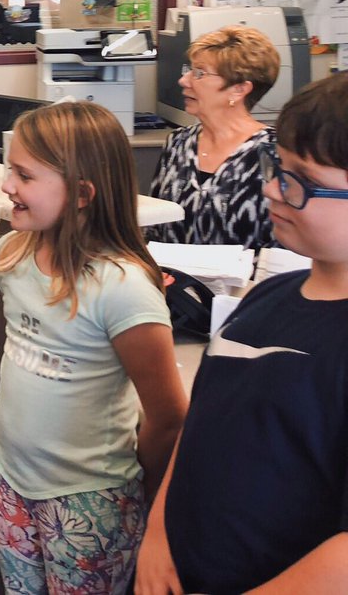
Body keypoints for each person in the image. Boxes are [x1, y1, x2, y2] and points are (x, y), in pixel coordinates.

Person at [137, 73, 348, 595]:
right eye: (277, 167)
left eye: (299, 180)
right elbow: (200, 426)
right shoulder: (264, 298)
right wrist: (159, 531)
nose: (271, 188)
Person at [0, 101, 187, 594]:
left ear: (81, 194)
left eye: (24, 175)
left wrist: (137, 494)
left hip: (89, 499)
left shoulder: (122, 289)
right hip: (11, 476)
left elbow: (168, 415)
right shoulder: (11, 255)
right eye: (10, 169)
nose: (7, 185)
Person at [148, 25, 280, 249]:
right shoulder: (178, 143)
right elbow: (154, 225)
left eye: (199, 73)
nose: (184, 80)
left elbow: (281, 246)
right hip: (168, 271)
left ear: (239, 89)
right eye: (189, 70)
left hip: (249, 273)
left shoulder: (274, 152)